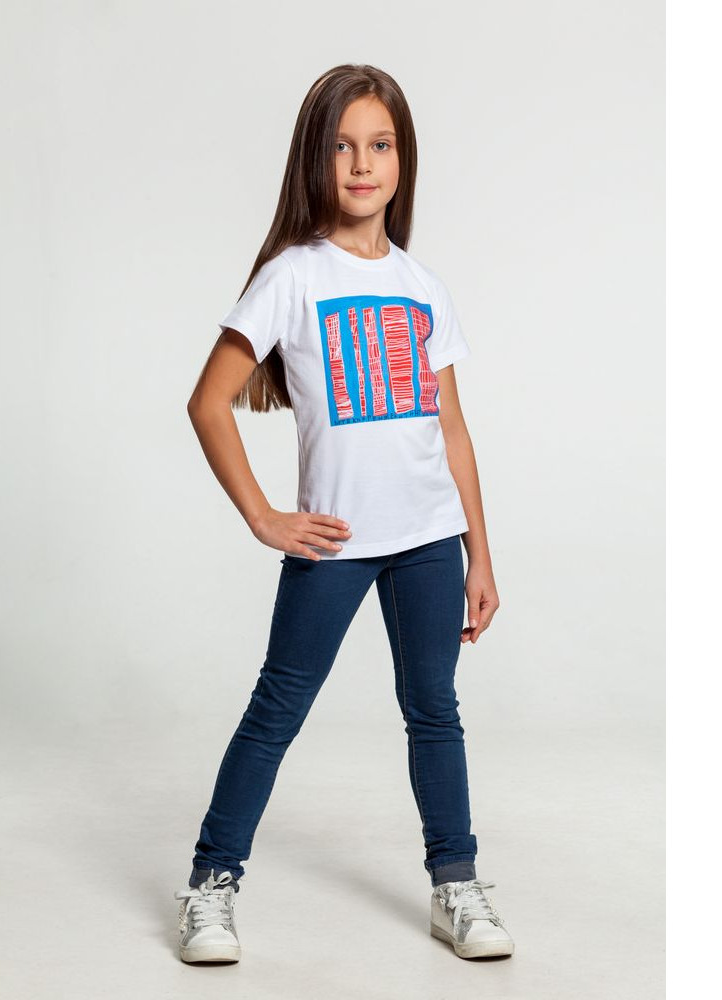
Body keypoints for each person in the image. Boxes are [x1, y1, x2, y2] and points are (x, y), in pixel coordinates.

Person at [177, 63, 515, 964]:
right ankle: (211, 886)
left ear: (403, 159)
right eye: (341, 146)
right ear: (315, 160)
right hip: (337, 542)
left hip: (429, 541)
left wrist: (479, 556)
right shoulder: (293, 276)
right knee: (277, 709)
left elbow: (451, 428)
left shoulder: (422, 285)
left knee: (434, 709)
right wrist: (264, 517)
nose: (362, 164)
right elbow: (208, 402)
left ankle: (456, 885)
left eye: (380, 144)